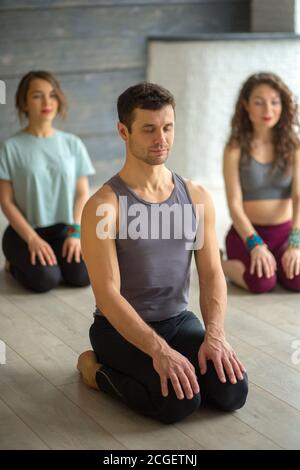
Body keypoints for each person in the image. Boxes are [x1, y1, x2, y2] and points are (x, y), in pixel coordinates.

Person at [77, 82, 248, 424]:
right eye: (149, 129)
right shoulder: (103, 206)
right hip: (118, 329)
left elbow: (213, 273)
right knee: (176, 404)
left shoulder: (196, 196)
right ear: (123, 131)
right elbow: (107, 295)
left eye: (168, 127)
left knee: (232, 392)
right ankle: (93, 370)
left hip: (178, 320)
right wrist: (159, 351)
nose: (161, 138)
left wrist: (215, 335)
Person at [0, 71, 95, 293]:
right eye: (37, 96)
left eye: (52, 95)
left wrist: (76, 232)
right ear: (24, 102)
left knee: (81, 276)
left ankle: (56, 261)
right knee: (45, 281)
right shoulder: (10, 148)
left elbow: (82, 193)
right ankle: (13, 264)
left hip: (64, 230)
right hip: (24, 232)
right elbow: (6, 202)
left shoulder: (73, 144)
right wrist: (32, 239)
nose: (47, 102)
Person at [222, 72, 300, 294]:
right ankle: (221, 265)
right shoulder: (235, 147)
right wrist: (254, 244)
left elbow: (299, 197)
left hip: (284, 234)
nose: (268, 110)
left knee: (297, 281)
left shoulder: (294, 146)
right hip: (246, 233)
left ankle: (278, 259)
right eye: (259, 102)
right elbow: (234, 204)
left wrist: (296, 244)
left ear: (283, 105)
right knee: (262, 283)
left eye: (274, 102)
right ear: (246, 105)